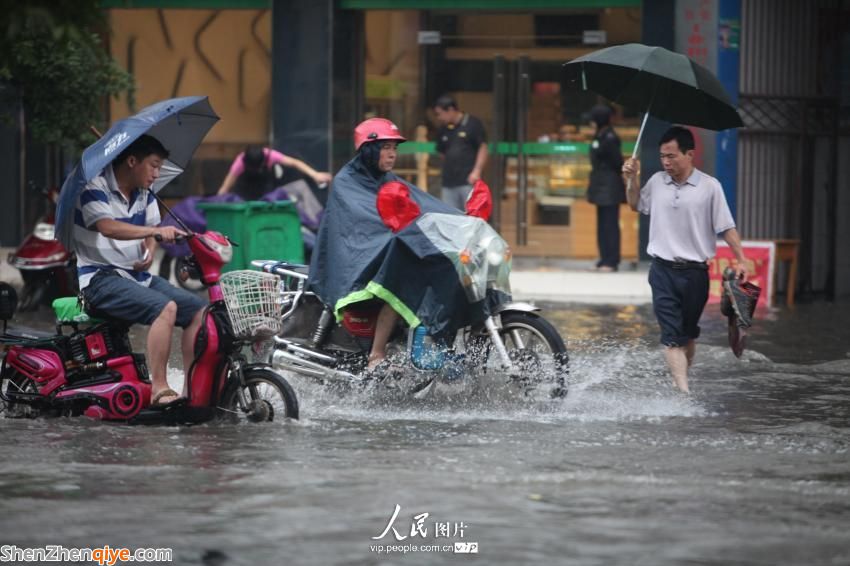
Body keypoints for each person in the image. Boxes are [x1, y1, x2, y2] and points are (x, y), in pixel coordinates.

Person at [74, 134, 207, 407]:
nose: (157, 174)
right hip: (100, 280)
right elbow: (108, 227)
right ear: (132, 161)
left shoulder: (146, 194)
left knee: (198, 310)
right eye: (154, 166)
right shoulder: (94, 188)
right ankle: (159, 388)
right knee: (165, 308)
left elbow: (150, 234)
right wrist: (155, 232)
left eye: (160, 168)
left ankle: (194, 391)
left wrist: (150, 249)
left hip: (137, 278)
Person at [622, 126, 747, 394]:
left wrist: (742, 259)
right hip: (662, 271)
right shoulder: (656, 181)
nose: (666, 162)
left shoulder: (710, 187)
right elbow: (635, 204)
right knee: (671, 337)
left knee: (687, 335)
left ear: (689, 154)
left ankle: (681, 379)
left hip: (695, 274)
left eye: (672, 156)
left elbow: (726, 227)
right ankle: (683, 393)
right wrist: (631, 180)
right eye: (662, 156)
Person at [216, 146, 331, 223]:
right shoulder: (240, 162)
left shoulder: (270, 155)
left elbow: (294, 163)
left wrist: (315, 174)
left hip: (269, 198)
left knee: (300, 187)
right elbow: (225, 187)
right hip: (247, 202)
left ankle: (318, 222)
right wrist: (216, 205)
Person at [586, 104, 626, 272]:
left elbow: (617, 162)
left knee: (610, 224)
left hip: (609, 187)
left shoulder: (609, 138)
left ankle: (611, 260)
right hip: (601, 186)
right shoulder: (600, 136)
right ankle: (604, 258)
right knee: (602, 224)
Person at [433, 95, 488, 211]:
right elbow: (442, 153)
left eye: (440, 113)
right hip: (448, 182)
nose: (439, 118)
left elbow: (482, 147)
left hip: (467, 180)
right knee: (451, 217)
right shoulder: (443, 129)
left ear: (451, 110)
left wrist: (477, 171)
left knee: (471, 215)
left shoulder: (472, 124)